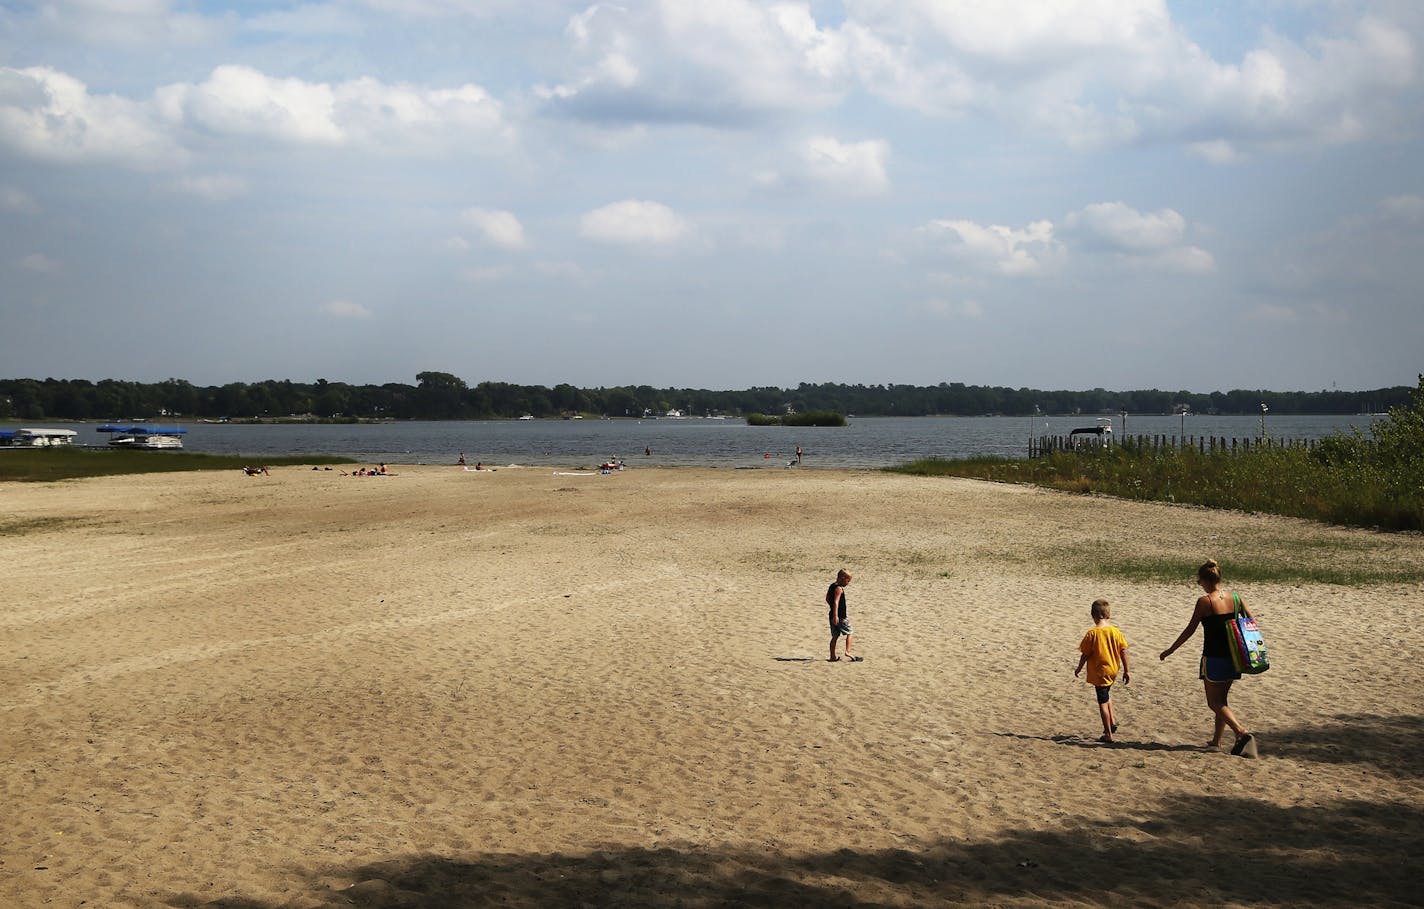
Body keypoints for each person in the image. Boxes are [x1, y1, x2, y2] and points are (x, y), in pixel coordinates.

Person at [1160, 559, 1256, 756]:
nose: (1200, 585)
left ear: (1205, 580)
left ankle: (1241, 731)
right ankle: (1216, 741)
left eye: (1199, 581)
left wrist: (1170, 650)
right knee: (1222, 700)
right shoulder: (1235, 597)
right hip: (1235, 657)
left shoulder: (1205, 602)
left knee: (1213, 702)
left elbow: (1189, 630)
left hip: (1214, 657)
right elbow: (1250, 621)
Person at [1075, 598, 1129, 743]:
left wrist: (1079, 668)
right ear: (1108, 615)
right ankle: (1112, 720)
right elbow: (1123, 651)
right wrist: (1126, 670)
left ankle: (1108, 734)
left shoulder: (1092, 634)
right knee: (1107, 693)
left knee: (1102, 703)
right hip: (1113, 670)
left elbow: (1085, 654)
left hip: (1100, 672)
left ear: (1093, 616)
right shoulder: (1115, 632)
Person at [826, 569, 860, 662]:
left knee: (835, 636)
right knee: (850, 632)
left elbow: (827, 598)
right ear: (842, 578)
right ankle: (848, 651)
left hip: (832, 615)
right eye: (848, 580)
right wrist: (836, 615)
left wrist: (832, 611)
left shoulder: (832, 586)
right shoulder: (839, 588)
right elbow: (836, 602)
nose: (848, 583)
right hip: (840, 617)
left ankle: (832, 656)